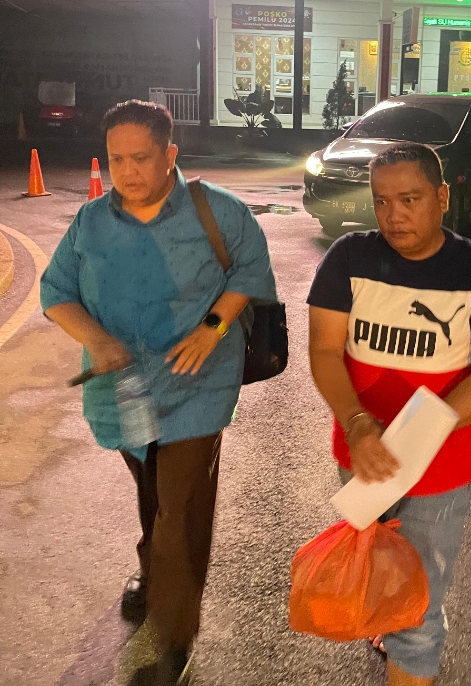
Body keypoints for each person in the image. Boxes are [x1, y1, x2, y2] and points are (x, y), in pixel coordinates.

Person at [40, 100, 276, 686]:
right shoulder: (91, 221)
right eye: (116, 159)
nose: (128, 172)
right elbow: (56, 291)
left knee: (183, 506)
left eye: (141, 158)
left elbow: (250, 271)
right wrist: (97, 340)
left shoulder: (217, 210)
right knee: (152, 487)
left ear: (170, 154)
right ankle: (153, 570)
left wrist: (212, 327)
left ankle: (174, 641)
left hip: (197, 385)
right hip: (121, 387)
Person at [307, 142, 471, 686]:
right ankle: (391, 625)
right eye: (381, 201)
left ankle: (408, 642)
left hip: (440, 466)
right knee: (380, 570)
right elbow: (325, 350)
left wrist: (414, 437)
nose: (393, 215)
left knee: (418, 608)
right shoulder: (350, 257)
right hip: (362, 454)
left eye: (409, 199)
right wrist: (359, 425)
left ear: (442, 196)